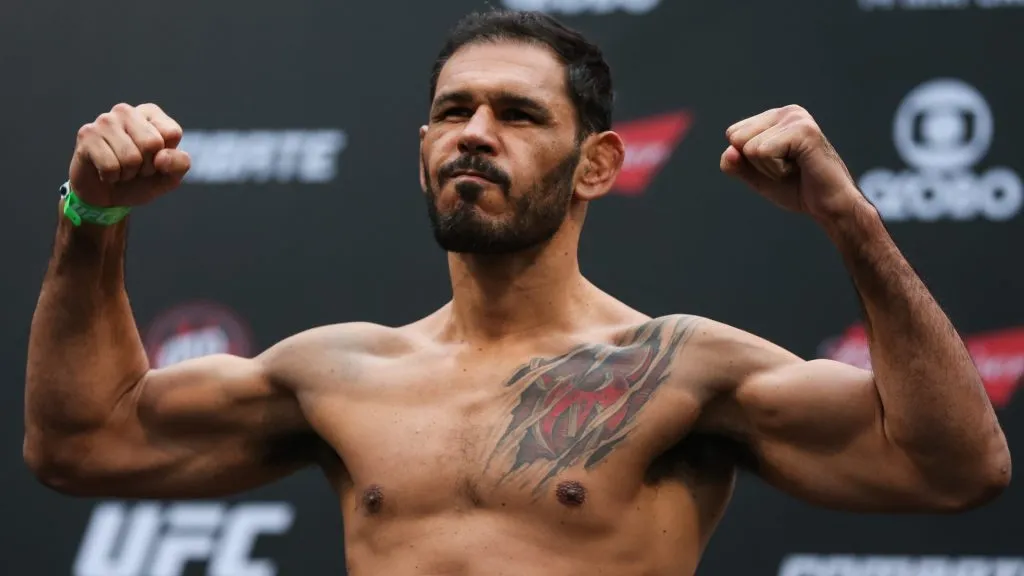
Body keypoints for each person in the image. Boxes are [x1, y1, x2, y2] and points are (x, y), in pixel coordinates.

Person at [25, 9, 1009, 576]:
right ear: (421, 155)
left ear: (597, 165)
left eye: (516, 114)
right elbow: (83, 444)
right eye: (452, 111)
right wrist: (91, 219)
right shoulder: (336, 371)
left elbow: (954, 468)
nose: (474, 133)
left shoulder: (677, 368)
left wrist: (849, 217)